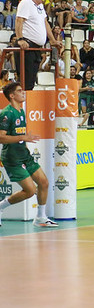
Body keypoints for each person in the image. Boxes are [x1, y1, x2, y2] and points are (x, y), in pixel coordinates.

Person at [0, 82, 58, 228]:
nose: (23, 93)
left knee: (44, 182)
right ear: (12, 96)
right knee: (30, 190)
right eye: (19, 91)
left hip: (24, 155)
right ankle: (1, 207)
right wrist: (22, 138)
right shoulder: (6, 113)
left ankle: (40, 217)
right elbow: (1, 137)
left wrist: (24, 142)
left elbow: (21, 135)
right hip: (12, 158)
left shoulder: (21, 111)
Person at [15, 0, 63, 90]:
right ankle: (23, 104)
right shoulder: (26, 3)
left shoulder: (40, 6)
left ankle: (27, 103)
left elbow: (45, 22)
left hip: (36, 47)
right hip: (27, 46)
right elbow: (19, 20)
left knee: (31, 79)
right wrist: (20, 39)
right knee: (25, 80)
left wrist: (53, 40)